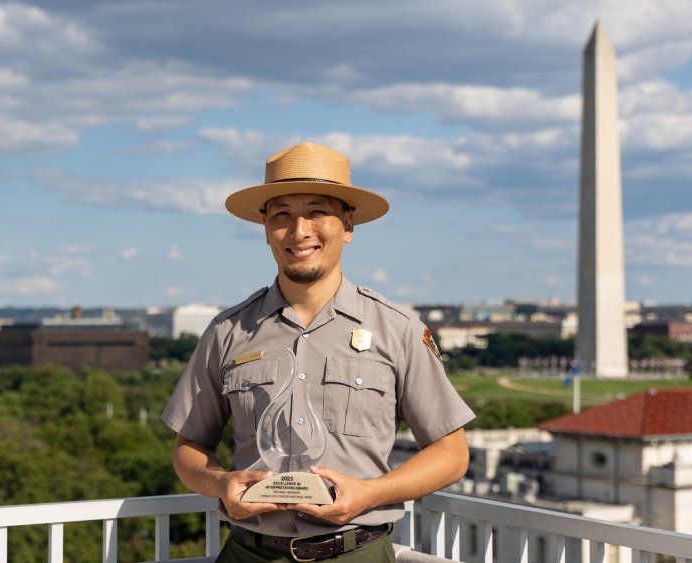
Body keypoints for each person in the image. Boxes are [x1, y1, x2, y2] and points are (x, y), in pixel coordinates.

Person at [161, 141, 475, 562]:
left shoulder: (396, 329)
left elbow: (451, 454)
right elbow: (189, 447)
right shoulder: (227, 332)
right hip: (248, 554)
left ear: (348, 225)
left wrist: (370, 493)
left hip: (355, 553)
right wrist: (221, 485)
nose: (299, 230)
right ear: (265, 228)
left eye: (317, 212)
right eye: (282, 216)